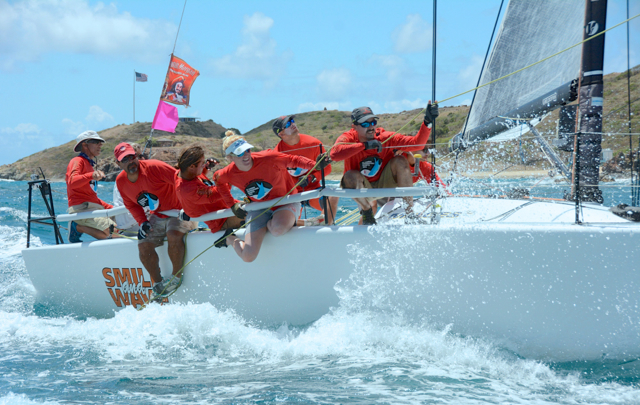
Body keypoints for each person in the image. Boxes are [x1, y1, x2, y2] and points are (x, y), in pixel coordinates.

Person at [214, 131, 327, 262]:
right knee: (248, 256)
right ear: (230, 157)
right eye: (239, 153)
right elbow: (218, 181)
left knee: (277, 230)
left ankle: (285, 221)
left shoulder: (268, 157)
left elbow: (293, 159)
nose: (246, 156)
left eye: (247, 150)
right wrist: (232, 205)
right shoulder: (226, 173)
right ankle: (230, 238)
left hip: (286, 202)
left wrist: (316, 165)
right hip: (259, 208)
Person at [114, 142, 197, 301]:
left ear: (137, 156)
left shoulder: (154, 167)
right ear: (118, 163)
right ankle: (159, 285)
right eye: (125, 159)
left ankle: (176, 278)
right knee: (143, 244)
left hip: (179, 210)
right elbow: (131, 204)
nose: (130, 161)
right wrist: (142, 221)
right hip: (158, 214)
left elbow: (181, 181)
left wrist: (189, 205)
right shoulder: (120, 181)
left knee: (173, 233)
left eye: (132, 156)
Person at [329, 104, 438, 224]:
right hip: (362, 188)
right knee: (349, 175)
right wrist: (364, 146)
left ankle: (410, 215)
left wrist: (427, 123)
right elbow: (334, 154)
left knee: (401, 160)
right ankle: (367, 211)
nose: (370, 127)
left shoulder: (385, 137)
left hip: (385, 184)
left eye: (373, 122)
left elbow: (417, 144)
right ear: (354, 127)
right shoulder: (348, 138)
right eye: (365, 124)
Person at [273, 115, 339, 225]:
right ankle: (306, 224)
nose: (293, 124)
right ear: (281, 134)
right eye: (288, 124)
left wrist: (312, 177)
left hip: (313, 190)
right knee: (289, 225)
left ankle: (326, 227)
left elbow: (327, 168)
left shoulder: (313, 143)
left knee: (333, 196)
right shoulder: (277, 153)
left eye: (292, 121)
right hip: (291, 194)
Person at [174, 145, 243, 235]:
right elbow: (220, 192)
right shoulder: (188, 190)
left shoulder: (184, 173)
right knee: (260, 214)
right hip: (222, 221)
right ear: (191, 166)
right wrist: (229, 175)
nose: (204, 165)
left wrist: (207, 167)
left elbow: (199, 178)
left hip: (228, 210)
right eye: (202, 163)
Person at [65, 130, 117, 243]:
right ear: (84, 145)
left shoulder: (89, 164)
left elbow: (90, 195)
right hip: (82, 209)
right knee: (115, 232)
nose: (100, 145)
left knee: (124, 221)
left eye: (100, 142)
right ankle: (77, 226)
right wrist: (91, 175)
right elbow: (72, 182)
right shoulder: (77, 161)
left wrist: (111, 208)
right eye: (95, 142)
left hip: (94, 208)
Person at [112, 143, 144, 235]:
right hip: (132, 224)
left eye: (133, 157)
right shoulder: (123, 179)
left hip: (133, 222)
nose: (142, 159)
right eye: (125, 159)